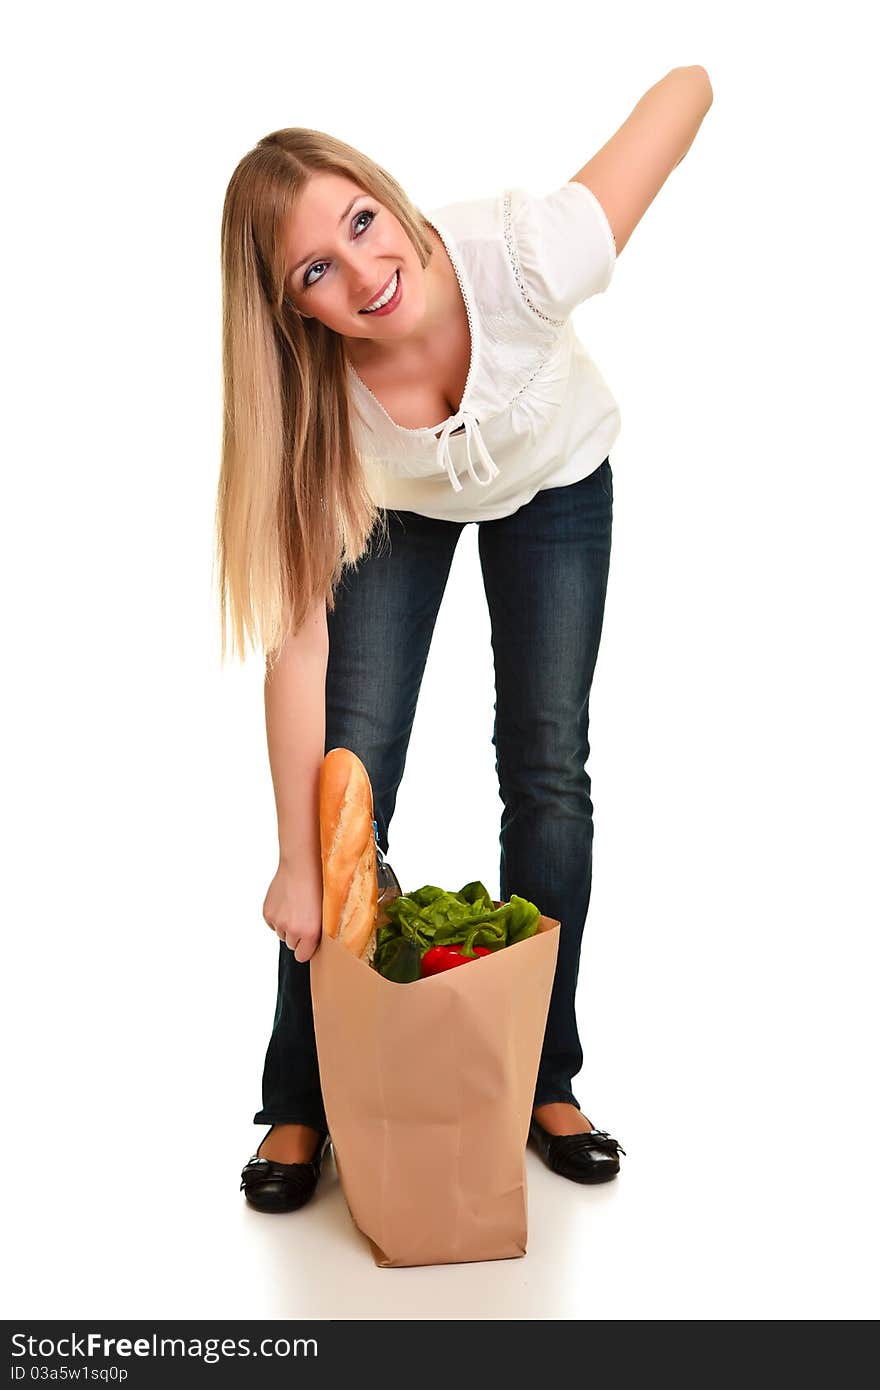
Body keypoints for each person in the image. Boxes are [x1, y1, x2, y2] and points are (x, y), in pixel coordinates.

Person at [216, 68, 713, 1213]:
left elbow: (683, 91)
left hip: (555, 480)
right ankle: (301, 1095)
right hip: (393, 504)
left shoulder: (528, 258)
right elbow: (295, 651)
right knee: (349, 777)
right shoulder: (314, 410)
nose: (362, 273)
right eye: (314, 272)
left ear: (388, 198)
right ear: (293, 307)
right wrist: (297, 859)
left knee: (547, 763)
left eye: (359, 222)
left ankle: (544, 1079)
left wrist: (713, 69)